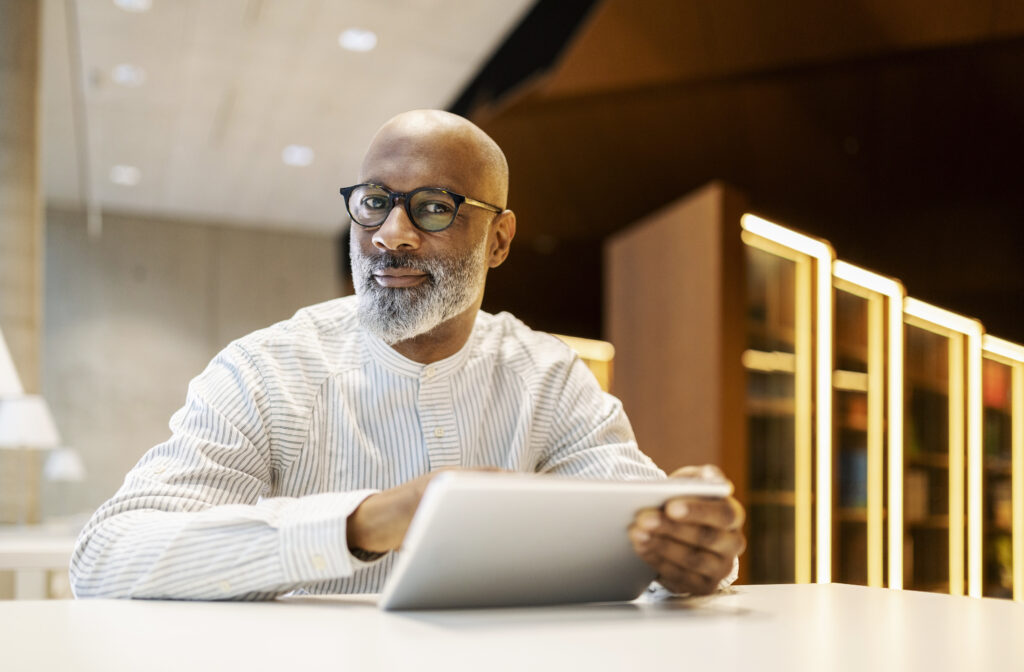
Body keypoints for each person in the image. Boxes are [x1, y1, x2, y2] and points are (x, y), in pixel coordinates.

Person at [69, 110, 745, 601]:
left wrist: (689, 549)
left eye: (432, 207)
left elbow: (638, 522)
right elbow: (106, 557)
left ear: (500, 239)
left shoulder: (547, 375)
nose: (391, 236)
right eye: (374, 204)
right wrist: (364, 522)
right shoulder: (264, 371)